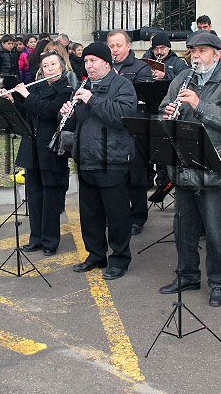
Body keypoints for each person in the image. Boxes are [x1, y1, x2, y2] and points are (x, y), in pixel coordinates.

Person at [158, 32, 221, 307]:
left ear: (217, 54)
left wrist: (198, 105)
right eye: (193, 50)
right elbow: (163, 108)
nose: (196, 56)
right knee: (183, 227)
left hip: (213, 165)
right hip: (184, 161)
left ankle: (219, 282)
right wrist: (167, 113)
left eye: (203, 51)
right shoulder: (183, 78)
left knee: (217, 232)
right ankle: (187, 275)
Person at [61, 42, 137, 280]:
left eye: (93, 60)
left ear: (106, 62)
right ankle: (95, 255)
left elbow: (122, 116)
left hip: (111, 159)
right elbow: (78, 125)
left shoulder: (122, 85)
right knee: (90, 214)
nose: (88, 65)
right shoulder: (84, 86)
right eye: (85, 61)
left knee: (116, 215)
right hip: (87, 158)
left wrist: (91, 100)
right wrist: (67, 113)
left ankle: (120, 258)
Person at [6, 50, 73, 255]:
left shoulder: (66, 89)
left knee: (50, 197)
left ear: (61, 67)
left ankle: (50, 241)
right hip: (32, 147)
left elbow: (48, 110)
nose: (49, 69)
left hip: (51, 149)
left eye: (53, 65)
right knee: (34, 196)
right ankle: (35, 238)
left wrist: (25, 95)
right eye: (45, 66)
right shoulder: (39, 87)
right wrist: (13, 100)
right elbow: (28, 112)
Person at [106, 30, 152, 236]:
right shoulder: (105, 65)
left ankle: (138, 216)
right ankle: (119, 213)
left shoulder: (141, 67)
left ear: (129, 46)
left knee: (137, 173)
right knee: (116, 174)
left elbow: (140, 97)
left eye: (118, 46)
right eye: (111, 46)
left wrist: (117, 80)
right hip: (113, 125)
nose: (115, 50)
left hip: (135, 127)